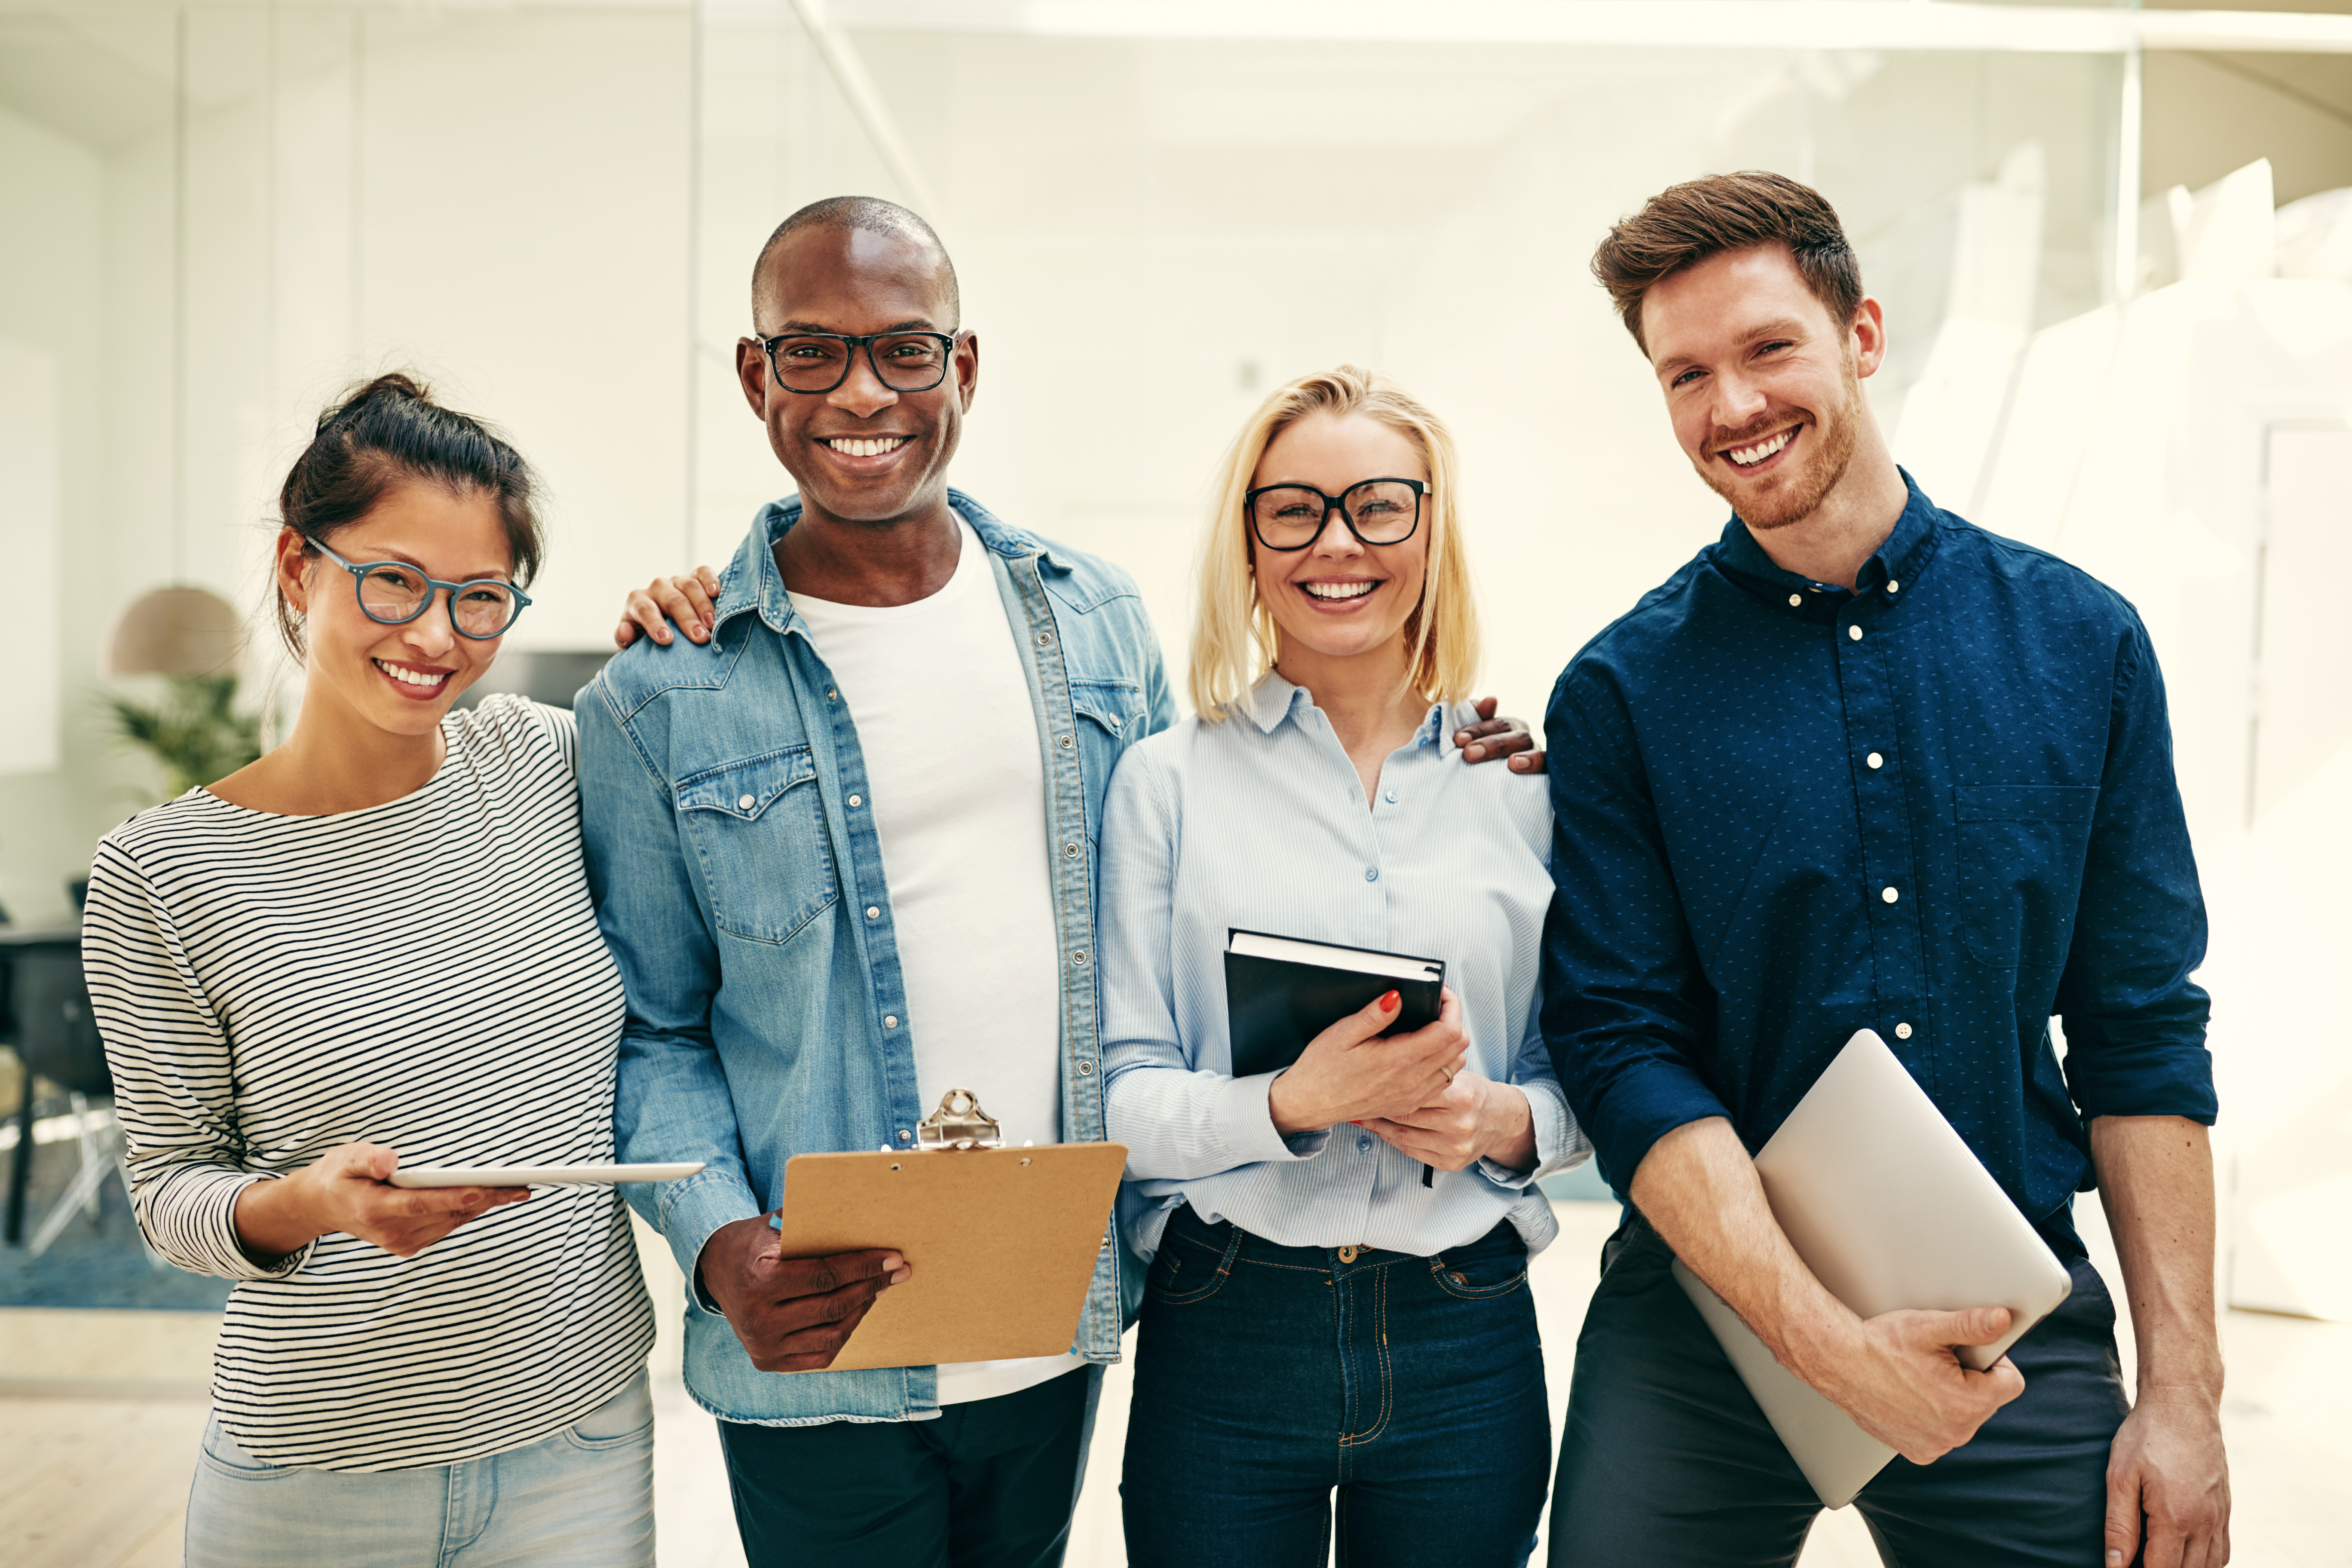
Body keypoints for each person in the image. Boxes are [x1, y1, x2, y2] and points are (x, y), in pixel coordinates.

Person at [585, 197, 1539, 1568]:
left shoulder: (1090, 619)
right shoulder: (661, 692)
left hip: (1047, 1317)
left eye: (905, 350)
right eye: (812, 353)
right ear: (755, 376)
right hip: (821, 1329)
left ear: (962, 369)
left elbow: (1201, 880)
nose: (863, 391)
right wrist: (721, 1246)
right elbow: (654, 1026)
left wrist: (1469, 746)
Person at [1539, 173, 2229, 1567]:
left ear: (1861, 333)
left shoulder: (2083, 646)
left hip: (2008, 1312)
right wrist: (1829, 1343)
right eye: (1686, 375)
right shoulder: (1621, 693)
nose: (1731, 407)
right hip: (1704, 1326)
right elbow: (1623, 1047)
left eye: (1767, 349)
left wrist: (2184, 1395)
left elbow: (2142, 1032)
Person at [83, 373, 703, 1568]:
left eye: (481, 599)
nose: (436, 638)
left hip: (580, 1441)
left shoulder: (545, 762)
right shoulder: (164, 874)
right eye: (394, 582)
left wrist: (692, 628)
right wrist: (311, 1204)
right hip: (318, 1474)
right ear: (296, 567)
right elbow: (170, 1193)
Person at [1098, 365, 1587, 1568]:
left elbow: (1592, 1078)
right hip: (1227, 1323)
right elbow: (1118, 1096)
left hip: (1461, 1331)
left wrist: (1499, 1121)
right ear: (1249, 539)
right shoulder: (1168, 785)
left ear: (1430, 526)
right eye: (1294, 509)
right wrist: (1287, 1105)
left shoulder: (1528, 787)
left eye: (1379, 506)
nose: (1338, 543)